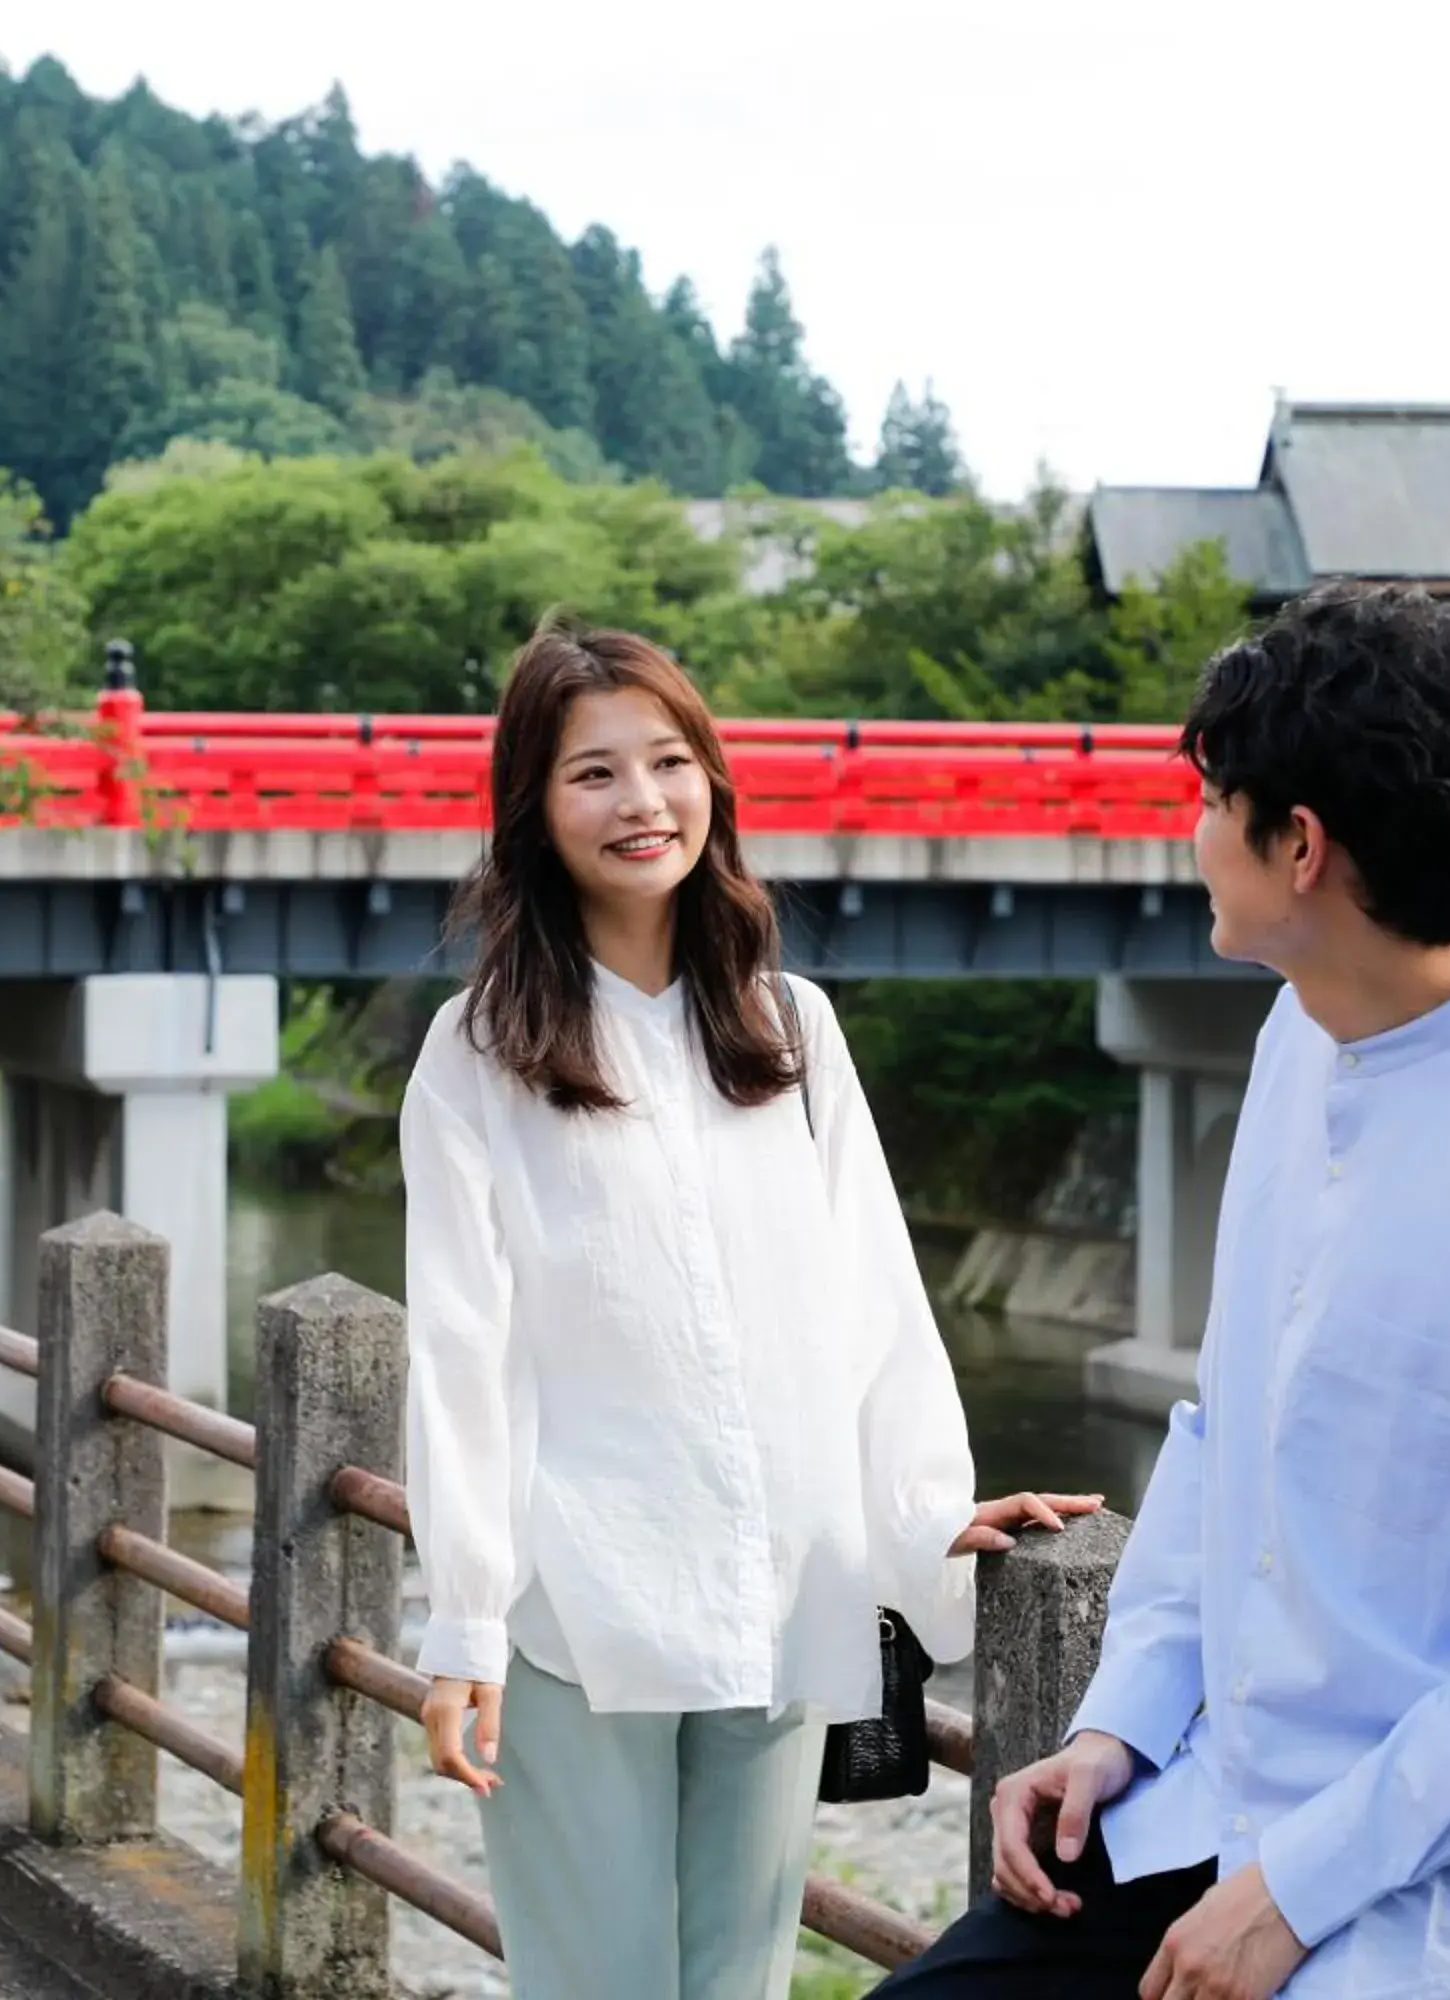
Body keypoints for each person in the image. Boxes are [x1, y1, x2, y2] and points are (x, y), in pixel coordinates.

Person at [876, 583, 1450, 2000]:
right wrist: (1119, 1726)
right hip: (1231, 1783)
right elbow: (1221, 1435)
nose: (1190, 830)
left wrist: (1292, 1893)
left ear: (1299, 846)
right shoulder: (1303, 1042)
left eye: (1210, 797)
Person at [402, 617, 1100, 2000]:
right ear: (534, 808)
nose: (641, 801)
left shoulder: (790, 1028)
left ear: (713, 782)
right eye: (592, 772)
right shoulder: (479, 1051)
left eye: (669, 761)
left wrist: (912, 1517)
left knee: (739, 1983)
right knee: (601, 1985)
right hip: (577, 1600)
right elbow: (460, 1351)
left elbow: (874, 1301)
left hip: (778, 1583)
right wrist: (466, 1626)